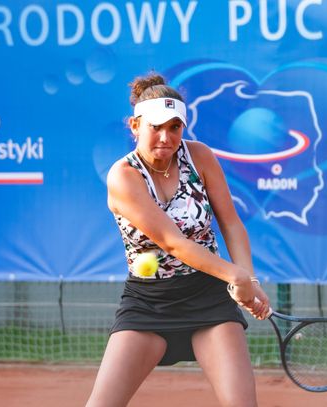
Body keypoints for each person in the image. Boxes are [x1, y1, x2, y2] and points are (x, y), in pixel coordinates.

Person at [85, 72, 271, 407]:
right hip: (148, 304)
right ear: (135, 125)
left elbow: (231, 223)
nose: (166, 137)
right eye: (155, 126)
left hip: (208, 297)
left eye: (174, 127)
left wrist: (250, 278)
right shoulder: (124, 176)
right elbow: (173, 243)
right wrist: (236, 275)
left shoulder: (200, 157)